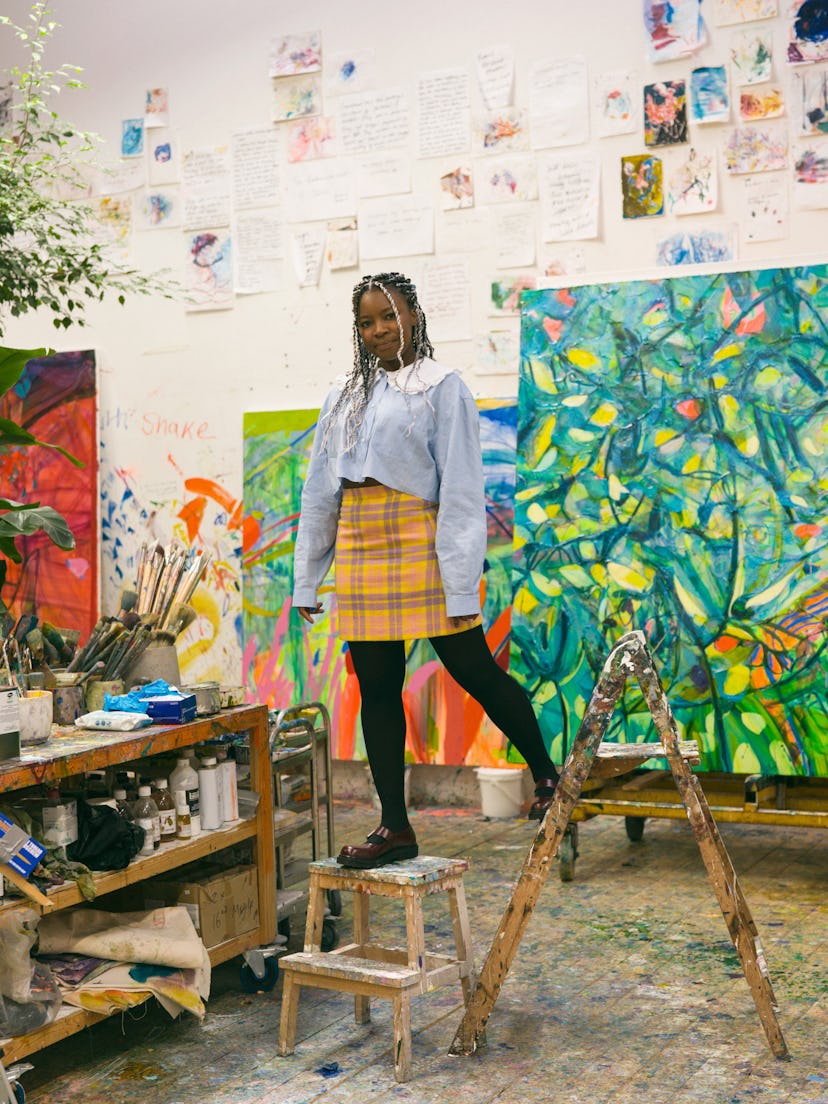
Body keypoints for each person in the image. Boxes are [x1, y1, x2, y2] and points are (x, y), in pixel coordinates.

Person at [293, 272, 559, 869]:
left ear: (413, 314)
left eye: (389, 316)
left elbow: (461, 490)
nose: (379, 330)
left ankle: (547, 774)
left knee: (473, 669)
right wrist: (308, 576)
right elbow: (319, 491)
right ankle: (395, 826)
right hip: (360, 543)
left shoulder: (443, 387)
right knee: (377, 688)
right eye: (366, 322)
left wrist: (461, 584)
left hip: (421, 539)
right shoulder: (343, 395)